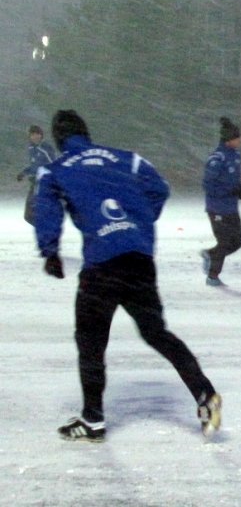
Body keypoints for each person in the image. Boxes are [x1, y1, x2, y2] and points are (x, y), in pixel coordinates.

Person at [34, 110, 221, 441]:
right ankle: (205, 393)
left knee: (91, 341)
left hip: (102, 266)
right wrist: (136, 223)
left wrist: (50, 251)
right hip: (138, 259)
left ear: (59, 139)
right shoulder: (127, 159)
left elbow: (46, 208)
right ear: (86, 132)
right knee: (157, 333)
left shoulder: (57, 168)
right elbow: (159, 188)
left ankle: (93, 418)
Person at [201, 116, 241, 287]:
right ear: (229, 140)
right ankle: (213, 277)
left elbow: (232, 179)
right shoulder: (217, 158)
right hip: (217, 208)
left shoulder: (235, 156)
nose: (240, 140)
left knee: (238, 241)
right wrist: (229, 191)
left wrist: (239, 189)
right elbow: (208, 185)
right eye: (237, 137)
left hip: (230, 208)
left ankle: (210, 254)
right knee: (225, 242)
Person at [17, 124, 56, 225]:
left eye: (37, 134)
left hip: (44, 184)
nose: (35, 136)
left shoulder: (46, 148)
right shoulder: (31, 148)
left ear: (41, 135)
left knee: (38, 212)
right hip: (34, 183)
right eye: (32, 134)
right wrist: (23, 173)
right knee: (28, 216)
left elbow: (54, 165)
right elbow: (34, 166)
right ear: (29, 136)